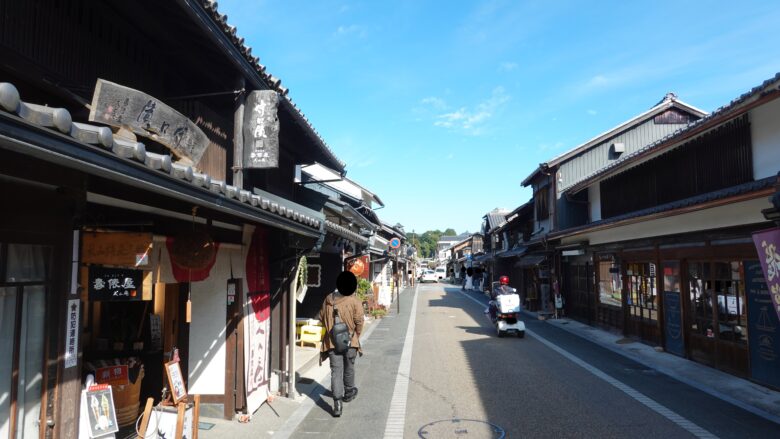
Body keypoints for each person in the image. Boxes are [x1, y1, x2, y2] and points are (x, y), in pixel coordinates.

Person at [319, 271, 364, 417]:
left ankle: (337, 404)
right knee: (349, 367)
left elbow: (321, 317)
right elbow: (359, 321)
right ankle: (349, 392)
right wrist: (356, 335)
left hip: (332, 342)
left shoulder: (328, 299)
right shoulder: (354, 301)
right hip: (350, 340)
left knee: (336, 371)